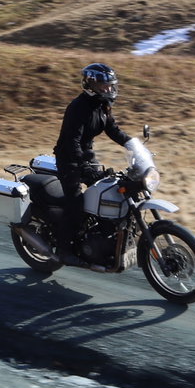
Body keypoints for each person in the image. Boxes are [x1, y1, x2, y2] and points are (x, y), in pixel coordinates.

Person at [53, 62, 131, 264]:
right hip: (69, 159)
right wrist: (83, 167)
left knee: (107, 191)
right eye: (104, 85)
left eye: (110, 85)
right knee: (76, 203)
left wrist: (133, 144)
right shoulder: (78, 107)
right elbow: (72, 142)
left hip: (86, 156)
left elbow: (113, 130)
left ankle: (98, 236)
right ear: (91, 85)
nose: (109, 89)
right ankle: (63, 250)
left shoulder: (102, 106)